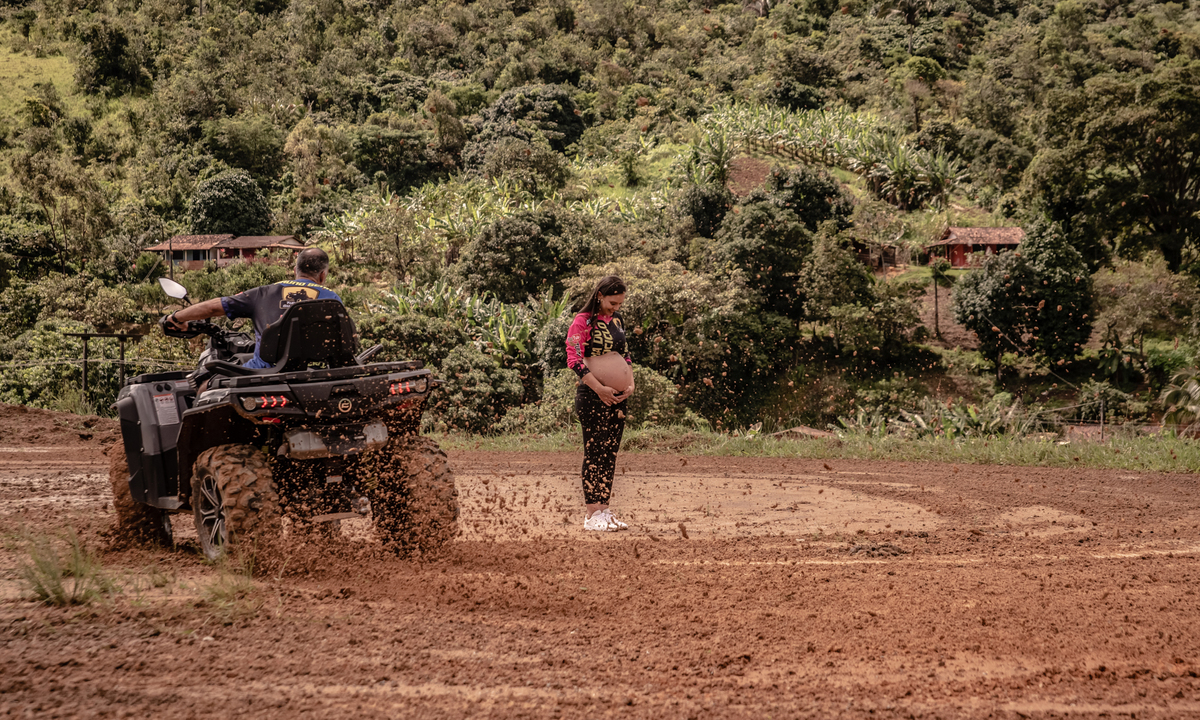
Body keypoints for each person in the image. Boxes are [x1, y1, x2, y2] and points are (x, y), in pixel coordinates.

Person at [162, 247, 342, 368]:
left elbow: (212, 308)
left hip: (265, 372)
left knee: (209, 381)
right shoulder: (332, 300)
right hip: (313, 373)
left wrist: (177, 317)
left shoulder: (265, 292)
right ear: (322, 275)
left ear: (295, 271)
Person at [565, 275, 635, 532]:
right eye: (612, 302)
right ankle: (592, 514)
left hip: (617, 397)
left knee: (610, 453)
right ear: (599, 296)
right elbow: (573, 358)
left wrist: (630, 382)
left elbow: (624, 353)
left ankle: (604, 510)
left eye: (619, 304)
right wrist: (600, 389)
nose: (615, 307)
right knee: (595, 453)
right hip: (593, 396)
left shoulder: (617, 320)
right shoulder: (582, 322)